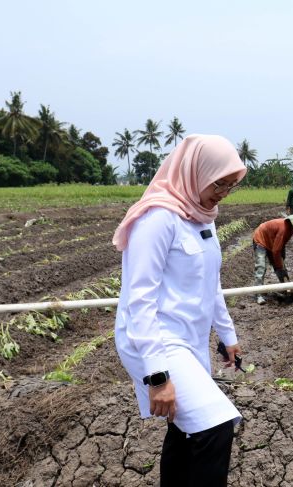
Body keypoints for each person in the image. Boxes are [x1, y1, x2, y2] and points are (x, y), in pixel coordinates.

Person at [112, 134, 247, 486]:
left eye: (231, 186)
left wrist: (227, 335)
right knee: (216, 427)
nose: (223, 193)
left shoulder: (203, 216)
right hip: (155, 340)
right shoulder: (158, 218)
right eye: (219, 183)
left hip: (188, 340)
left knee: (186, 429)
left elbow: (211, 281)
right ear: (195, 172)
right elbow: (138, 299)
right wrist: (156, 375)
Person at [252, 209, 293, 305]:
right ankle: (258, 294)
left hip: (272, 241)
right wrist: (279, 265)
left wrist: (281, 262)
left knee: (281, 263)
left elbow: (279, 247)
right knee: (261, 266)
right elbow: (275, 251)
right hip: (260, 240)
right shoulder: (284, 229)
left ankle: (285, 287)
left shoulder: (290, 229)